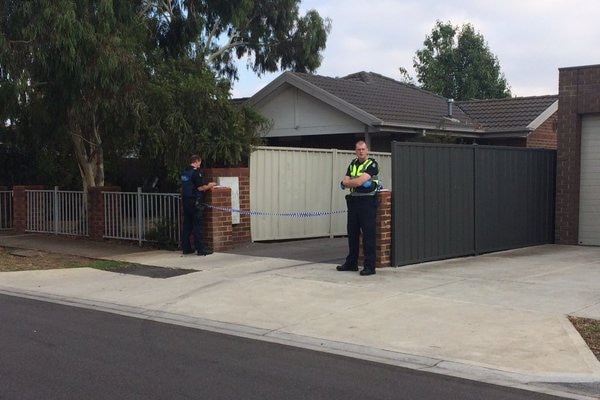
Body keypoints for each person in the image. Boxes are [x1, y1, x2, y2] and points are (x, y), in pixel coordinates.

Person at [337, 140, 380, 276]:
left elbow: (358, 181)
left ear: (367, 150)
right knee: (352, 233)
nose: (361, 151)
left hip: (367, 202)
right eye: (358, 149)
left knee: (368, 235)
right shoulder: (353, 164)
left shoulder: (372, 164)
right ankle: (351, 263)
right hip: (354, 201)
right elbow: (345, 180)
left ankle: (370, 266)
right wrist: (353, 182)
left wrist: (350, 182)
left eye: (363, 149)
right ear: (355, 151)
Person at [181, 154, 216, 256]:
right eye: (199, 162)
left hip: (186, 201)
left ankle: (186, 248)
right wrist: (210, 185)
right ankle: (201, 249)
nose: (200, 164)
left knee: (187, 225)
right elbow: (200, 188)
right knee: (198, 225)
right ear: (196, 161)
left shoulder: (185, 172)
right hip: (195, 202)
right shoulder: (195, 172)